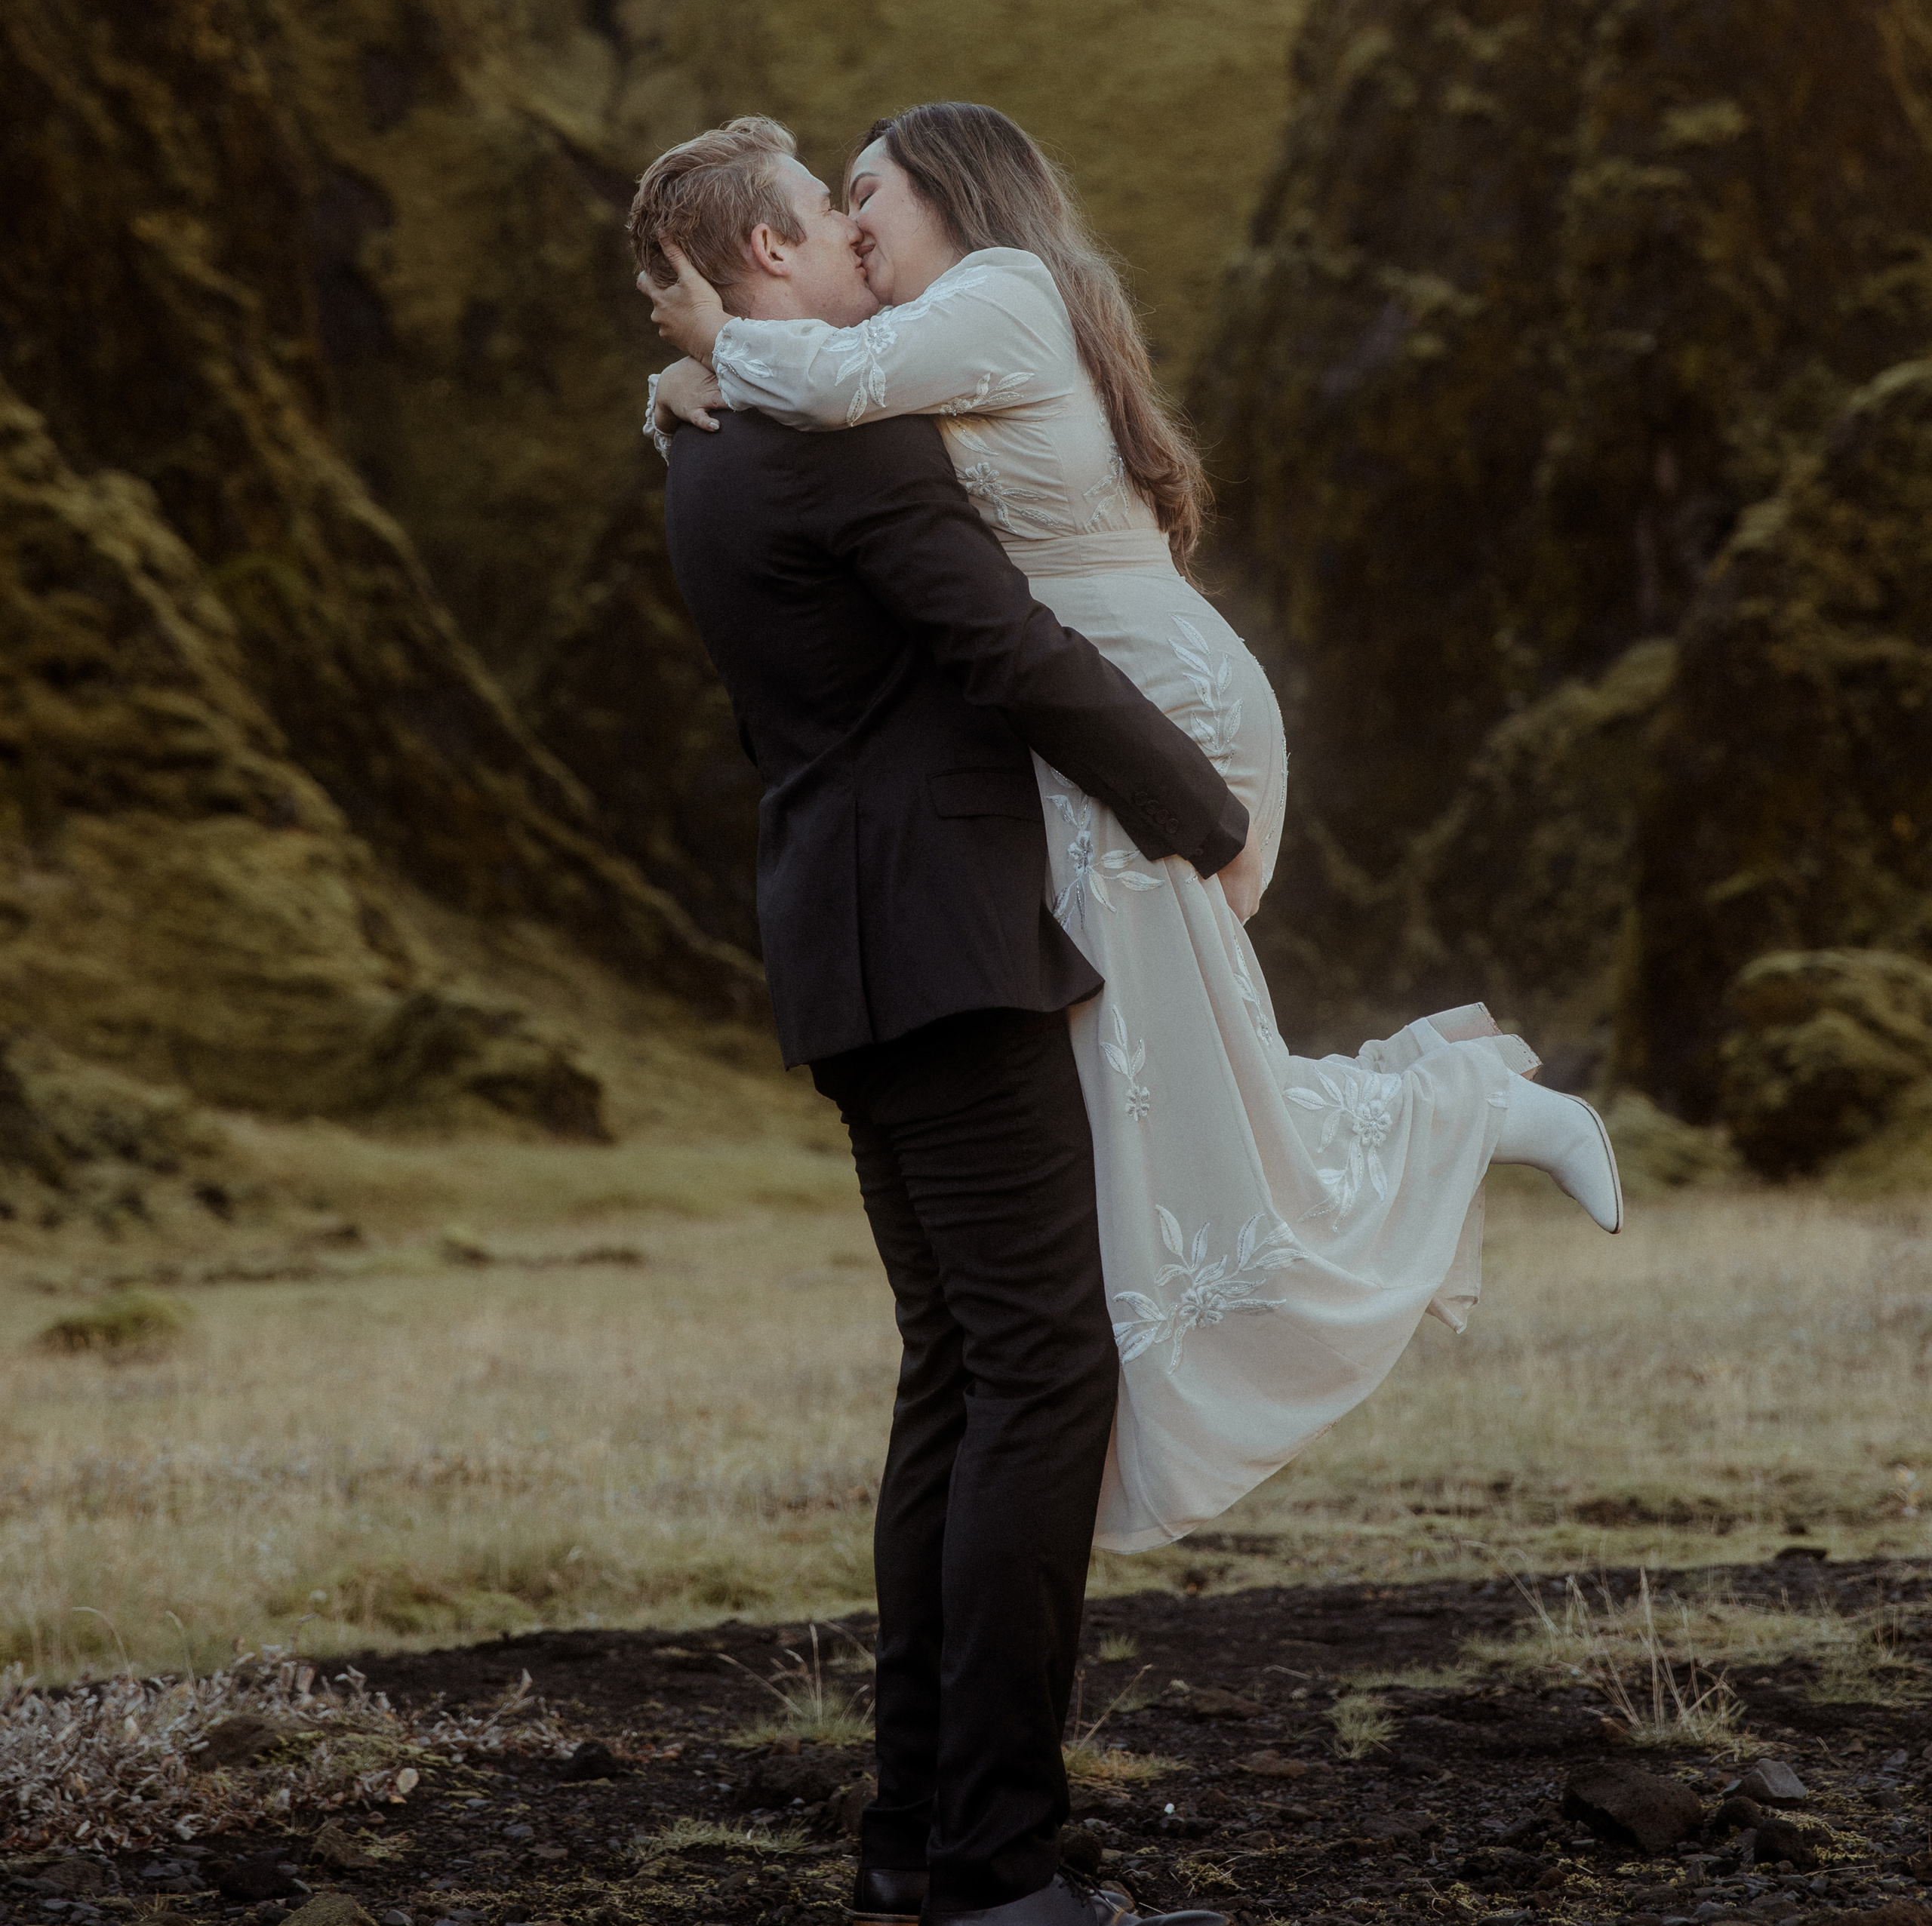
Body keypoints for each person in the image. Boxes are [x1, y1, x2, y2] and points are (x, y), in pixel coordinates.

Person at [645, 99, 1623, 1571]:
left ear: (951, 192)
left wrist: (707, 345)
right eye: (832, 200)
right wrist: (682, 387)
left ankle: (1472, 1113)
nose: (851, 222)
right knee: (1160, 1077)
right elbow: (814, 420)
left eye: (869, 192)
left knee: (1175, 1072)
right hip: (1086, 734)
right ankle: (1454, 1121)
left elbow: (828, 382)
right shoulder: (917, 341)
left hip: (1154, 722)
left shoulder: (1001, 292)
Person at [626, 116, 1238, 1926]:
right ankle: (994, 1873)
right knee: (1043, 1375)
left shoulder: (705, 449)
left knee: (960, 1379)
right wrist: (1194, 806)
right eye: (825, 220)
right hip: (954, 950)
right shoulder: (834, 439)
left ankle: (911, 1848)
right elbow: (1001, 649)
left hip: (838, 941)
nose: (854, 246)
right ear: (762, 256)